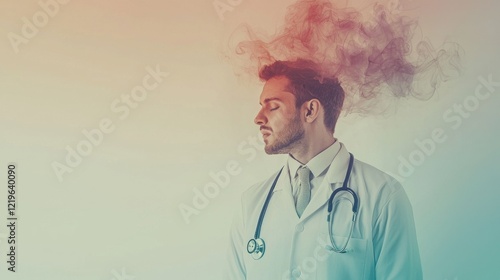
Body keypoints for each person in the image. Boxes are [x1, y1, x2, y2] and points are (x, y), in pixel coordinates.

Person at [225, 60, 422, 280]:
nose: (258, 118)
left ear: (310, 110)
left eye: (273, 107)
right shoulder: (251, 203)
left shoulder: (383, 196)